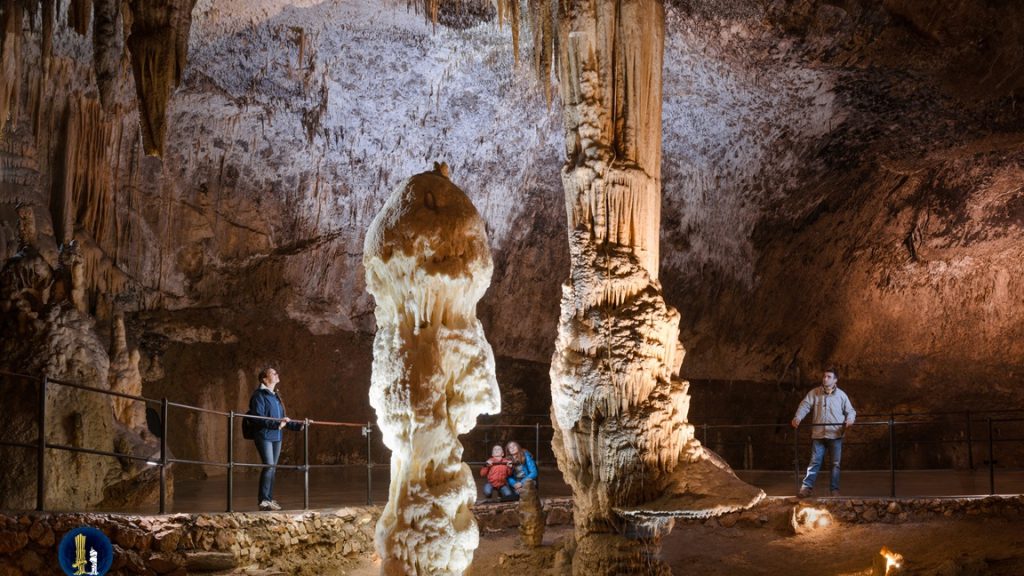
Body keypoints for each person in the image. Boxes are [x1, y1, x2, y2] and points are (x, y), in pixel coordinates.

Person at [791, 367, 856, 497]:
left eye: (829, 377)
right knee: (814, 462)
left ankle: (834, 490)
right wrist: (798, 417)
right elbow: (805, 405)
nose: (825, 379)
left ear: (835, 380)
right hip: (819, 434)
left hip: (835, 435)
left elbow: (850, 410)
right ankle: (806, 488)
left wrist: (850, 419)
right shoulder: (814, 393)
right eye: (824, 376)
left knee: (835, 464)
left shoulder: (841, 395)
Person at [249, 367, 304, 511]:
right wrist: (277, 425)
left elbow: (282, 418)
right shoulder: (259, 395)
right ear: (265, 379)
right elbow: (258, 418)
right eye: (273, 373)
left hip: (277, 436)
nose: (277, 374)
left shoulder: (276, 395)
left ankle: (268, 498)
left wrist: (298, 425)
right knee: (269, 466)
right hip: (264, 435)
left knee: (272, 468)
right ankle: (263, 500)